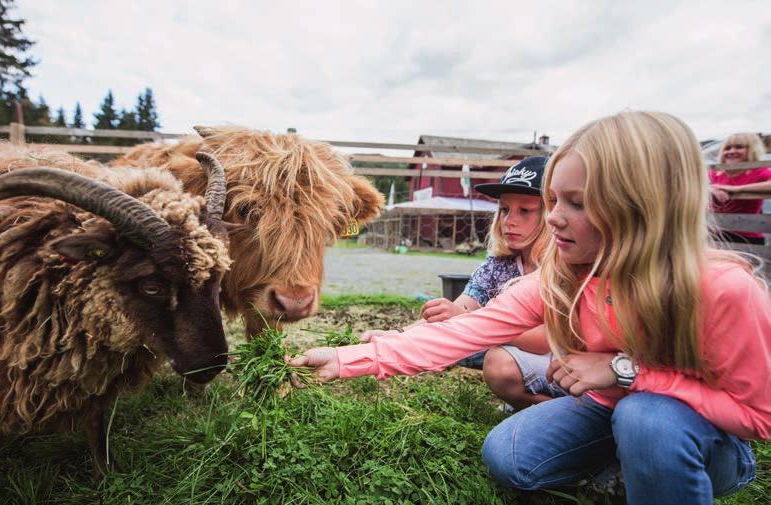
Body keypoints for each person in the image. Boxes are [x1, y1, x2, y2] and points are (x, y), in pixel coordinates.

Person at [291, 111, 770, 504]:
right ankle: (623, 469)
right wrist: (343, 358)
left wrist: (627, 372)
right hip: (606, 410)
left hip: (697, 429)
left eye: (577, 203)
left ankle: (660, 468)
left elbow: (760, 416)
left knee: (647, 418)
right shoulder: (560, 275)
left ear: (643, 208)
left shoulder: (722, 289)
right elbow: (465, 330)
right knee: (509, 454)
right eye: (554, 199)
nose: (555, 217)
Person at [361, 156, 561, 410]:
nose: (509, 220)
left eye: (525, 210)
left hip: (563, 364)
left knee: (498, 363)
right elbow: (455, 312)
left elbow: (546, 340)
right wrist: (398, 335)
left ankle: (567, 412)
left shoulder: (561, 267)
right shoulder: (499, 264)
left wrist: (471, 318)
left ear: (551, 214)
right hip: (519, 352)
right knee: (461, 342)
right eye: (504, 209)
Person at [709, 132, 771, 244]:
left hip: (748, 235)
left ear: (752, 149)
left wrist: (737, 189)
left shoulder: (759, 172)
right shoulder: (715, 173)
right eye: (727, 148)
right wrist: (710, 190)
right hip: (716, 235)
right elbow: (695, 186)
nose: (732, 151)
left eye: (739, 147)